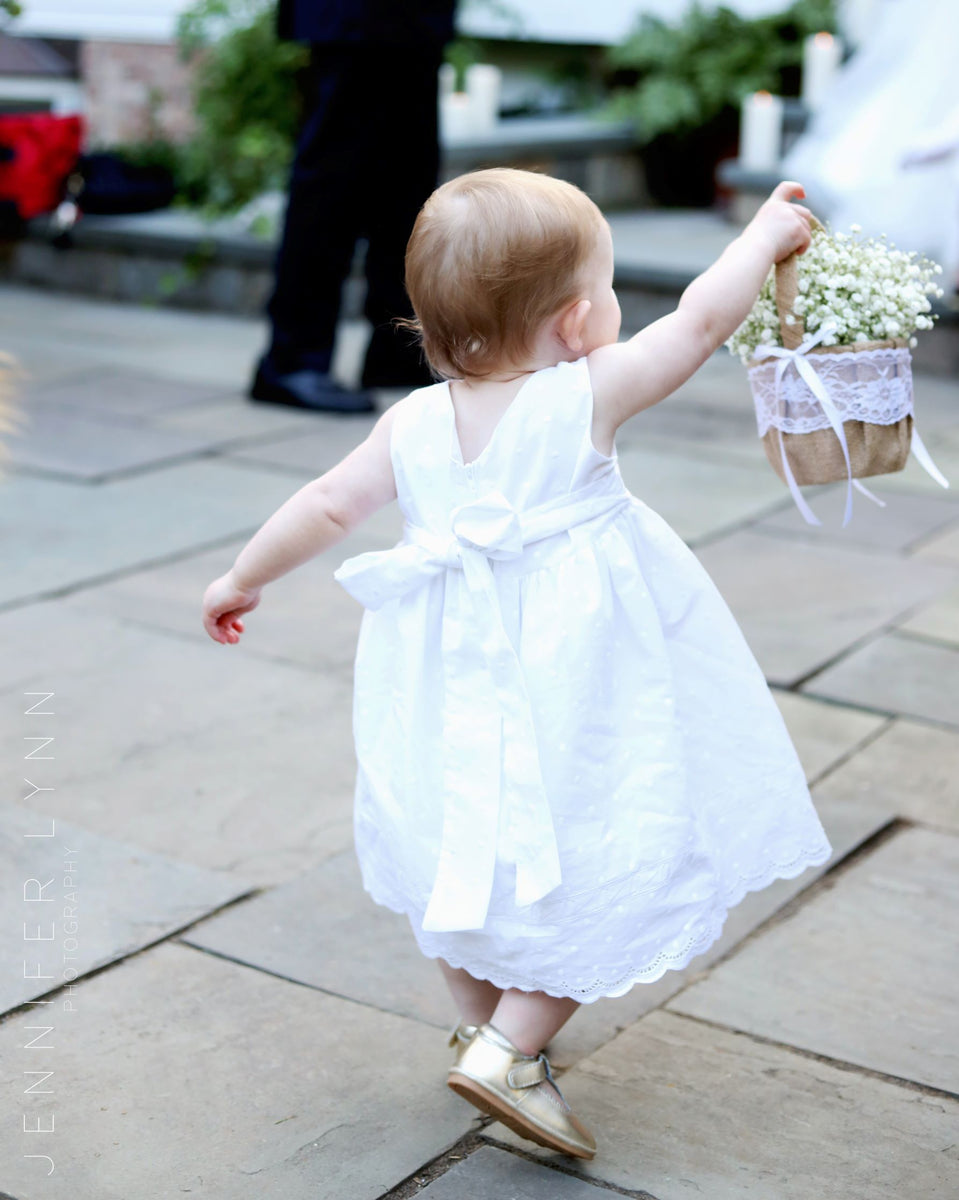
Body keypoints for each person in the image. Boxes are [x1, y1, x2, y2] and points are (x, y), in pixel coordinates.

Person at [202, 169, 833, 1160]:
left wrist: (242, 575)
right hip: (571, 671)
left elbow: (328, 503)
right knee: (604, 838)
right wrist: (758, 238)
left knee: (457, 834)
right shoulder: (584, 393)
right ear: (578, 322)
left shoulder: (409, 422)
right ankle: (509, 1048)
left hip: (446, 669)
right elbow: (702, 323)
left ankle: (481, 1028)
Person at [249, 0, 457, 414]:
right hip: (350, 15)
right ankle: (292, 359)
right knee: (331, 182)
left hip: (416, 20)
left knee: (408, 185)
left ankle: (398, 350)